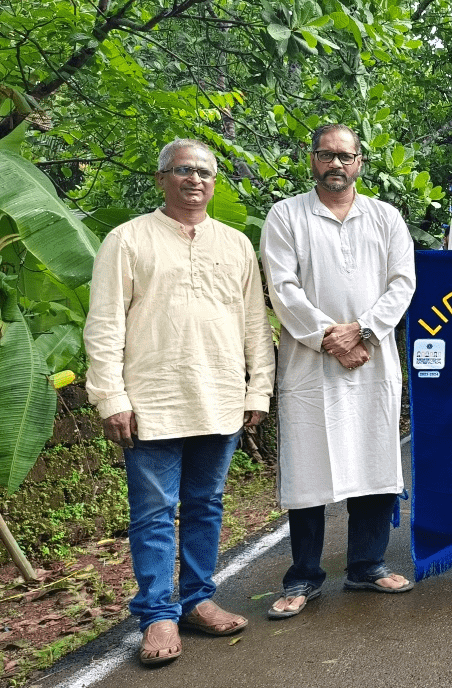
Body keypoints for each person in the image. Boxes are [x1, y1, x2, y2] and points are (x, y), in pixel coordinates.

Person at [84, 138, 273, 665]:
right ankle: (157, 614)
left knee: (206, 507)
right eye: (184, 170)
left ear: (215, 182)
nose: (195, 180)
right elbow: (103, 326)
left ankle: (197, 599)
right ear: (162, 177)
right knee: (153, 513)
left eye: (205, 172)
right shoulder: (127, 240)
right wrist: (111, 397)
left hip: (219, 397)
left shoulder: (235, 244)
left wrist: (257, 387)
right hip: (152, 401)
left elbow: (255, 325)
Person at [260, 124, 418, 619]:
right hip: (312, 364)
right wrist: (331, 337)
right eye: (326, 155)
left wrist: (364, 331)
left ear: (360, 162)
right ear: (312, 160)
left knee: (373, 459)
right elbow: (282, 288)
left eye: (344, 156)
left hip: (372, 361)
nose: (335, 164)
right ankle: (304, 575)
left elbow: (403, 283)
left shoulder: (385, 217)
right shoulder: (286, 216)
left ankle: (366, 564)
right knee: (309, 469)